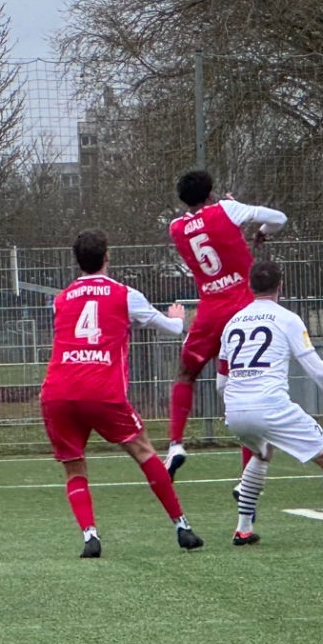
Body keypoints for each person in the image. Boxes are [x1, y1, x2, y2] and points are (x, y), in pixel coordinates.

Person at [42, 229, 202, 557]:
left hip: (58, 391)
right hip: (101, 390)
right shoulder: (125, 294)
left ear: (77, 261)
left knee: (74, 467)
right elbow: (172, 329)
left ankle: (90, 536)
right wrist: (176, 318)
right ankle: (182, 527)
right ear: (107, 257)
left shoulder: (61, 299)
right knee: (144, 451)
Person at [218, 260, 323, 548]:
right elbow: (315, 367)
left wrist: (238, 402)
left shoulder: (232, 323)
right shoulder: (287, 319)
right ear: (280, 286)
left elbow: (221, 381)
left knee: (262, 452)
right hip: (269, 405)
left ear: (250, 286)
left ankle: (243, 529)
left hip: (234, 409)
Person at [164, 171, 288, 473]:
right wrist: (262, 230)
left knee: (186, 375)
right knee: (242, 384)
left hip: (210, 310)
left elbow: (203, 229)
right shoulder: (227, 210)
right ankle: (247, 474)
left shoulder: (175, 228)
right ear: (211, 193)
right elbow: (279, 219)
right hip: (245, 309)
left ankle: (175, 443)